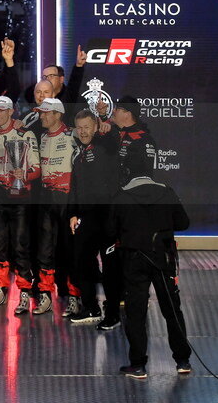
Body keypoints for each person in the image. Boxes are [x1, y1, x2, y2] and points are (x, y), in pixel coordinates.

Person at [106, 172, 192, 379]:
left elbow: (109, 230)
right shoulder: (167, 192)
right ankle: (182, 361)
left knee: (136, 313)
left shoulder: (121, 196)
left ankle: (138, 365)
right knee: (172, 309)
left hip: (134, 259)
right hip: (163, 258)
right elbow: (183, 223)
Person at [0, 95, 40, 313]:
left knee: (20, 246)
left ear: (11, 112)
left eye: (1, 110)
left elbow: (37, 169)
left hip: (21, 197)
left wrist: (23, 175)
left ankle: (25, 292)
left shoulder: (25, 134)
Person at [67, 109, 122, 326]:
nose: (82, 131)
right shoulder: (79, 151)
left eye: (87, 127)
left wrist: (107, 128)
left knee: (110, 268)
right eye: (79, 127)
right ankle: (90, 307)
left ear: (96, 127)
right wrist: (72, 213)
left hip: (108, 217)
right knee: (82, 263)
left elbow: (113, 139)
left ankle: (113, 314)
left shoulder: (105, 144)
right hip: (86, 218)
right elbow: (76, 186)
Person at [34, 97, 81, 316]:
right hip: (46, 200)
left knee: (70, 251)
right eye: (41, 113)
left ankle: (74, 297)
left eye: (45, 113)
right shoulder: (41, 136)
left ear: (57, 114)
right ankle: (44, 295)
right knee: (44, 249)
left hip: (67, 201)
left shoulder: (73, 135)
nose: (41, 116)